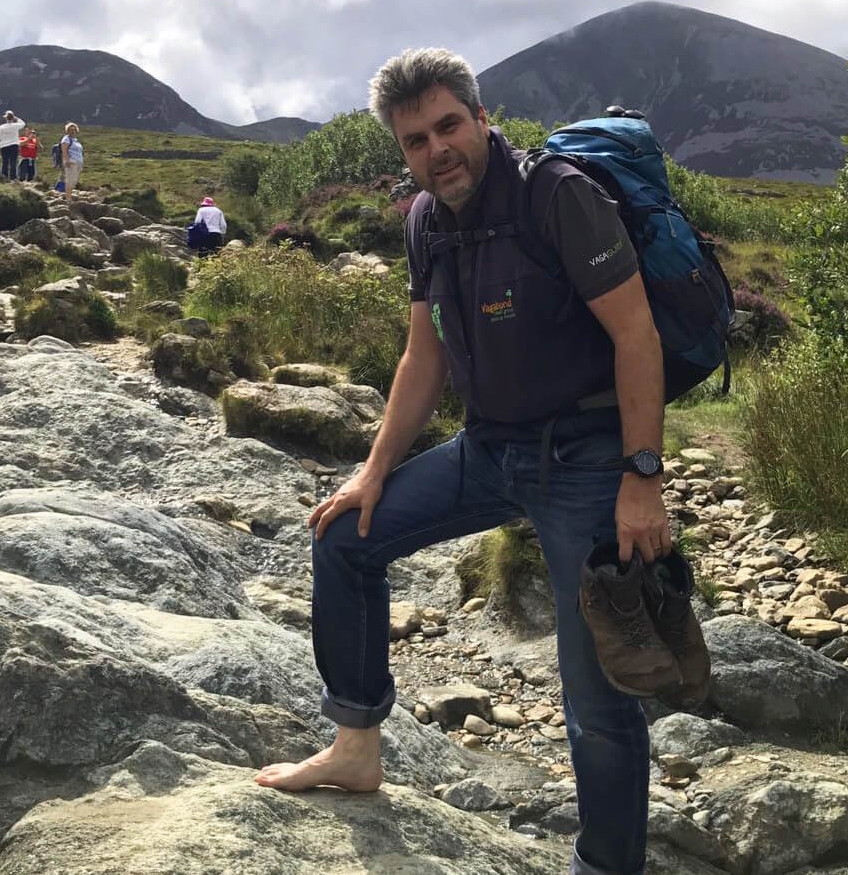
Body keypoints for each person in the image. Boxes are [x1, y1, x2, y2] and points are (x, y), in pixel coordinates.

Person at [255, 48, 681, 875]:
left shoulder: (557, 196)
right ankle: (355, 746)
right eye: (415, 139)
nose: (436, 149)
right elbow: (425, 357)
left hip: (587, 459)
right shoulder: (424, 219)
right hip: (490, 450)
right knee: (345, 539)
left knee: (594, 700)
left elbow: (637, 336)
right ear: (402, 150)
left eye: (449, 125)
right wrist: (373, 471)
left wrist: (642, 478)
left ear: (483, 119)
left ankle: (607, 865)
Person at [0, 110, 25, 181]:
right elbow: (23, 123)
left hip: (4, 146)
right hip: (14, 145)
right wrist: (16, 118)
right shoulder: (16, 126)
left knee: (5, 161)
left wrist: (4, 139)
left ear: (6, 118)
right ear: (12, 118)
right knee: (13, 162)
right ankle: (13, 178)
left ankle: (4, 177)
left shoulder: (1, 127)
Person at [60, 123, 84, 201]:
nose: (72, 131)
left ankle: (69, 195)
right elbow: (64, 151)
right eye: (70, 130)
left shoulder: (76, 140)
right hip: (71, 161)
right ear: (67, 131)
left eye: (74, 130)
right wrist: (67, 160)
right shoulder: (66, 139)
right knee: (70, 180)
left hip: (78, 162)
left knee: (74, 180)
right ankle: (68, 198)